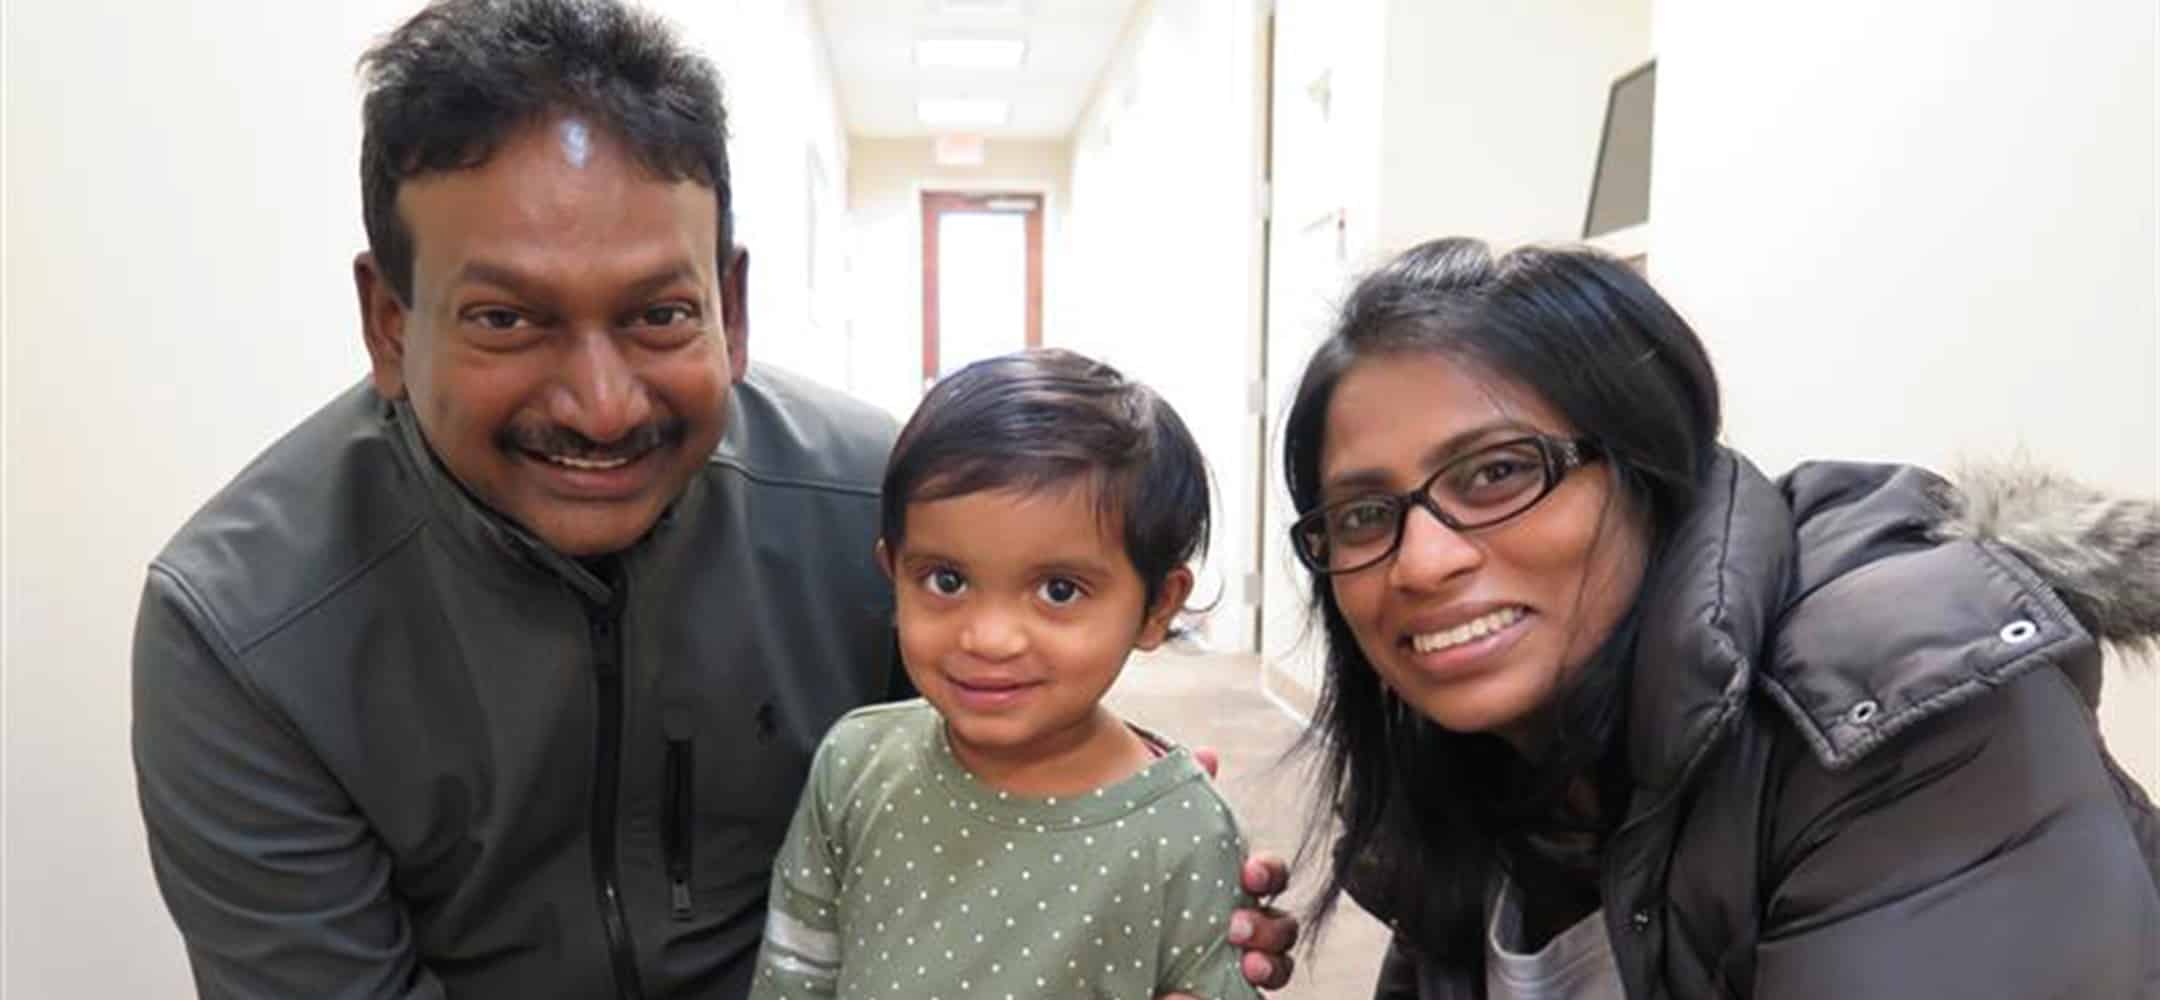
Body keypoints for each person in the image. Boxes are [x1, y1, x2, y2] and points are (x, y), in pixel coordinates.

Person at [130, 2, 1295, 997]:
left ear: (730, 306)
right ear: (390, 321)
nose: (600, 404)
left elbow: (1001, 779)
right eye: (506, 318)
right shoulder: (241, 630)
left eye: (658, 313)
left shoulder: (871, 509)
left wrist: (1143, 875)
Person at [1279, 237, 2160, 998]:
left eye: (1500, 473)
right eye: (1363, 515)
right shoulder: (1467, 757)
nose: (1422, 562)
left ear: (1650, 470)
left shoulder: (1906, 711)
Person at [749, 349, 1262, 1000]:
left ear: (1157, 606)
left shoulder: (1185, 831)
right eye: (946, 580)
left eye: (1058, 590)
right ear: (894, 573)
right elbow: (794, 973)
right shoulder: (854, 763)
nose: (988, 638)